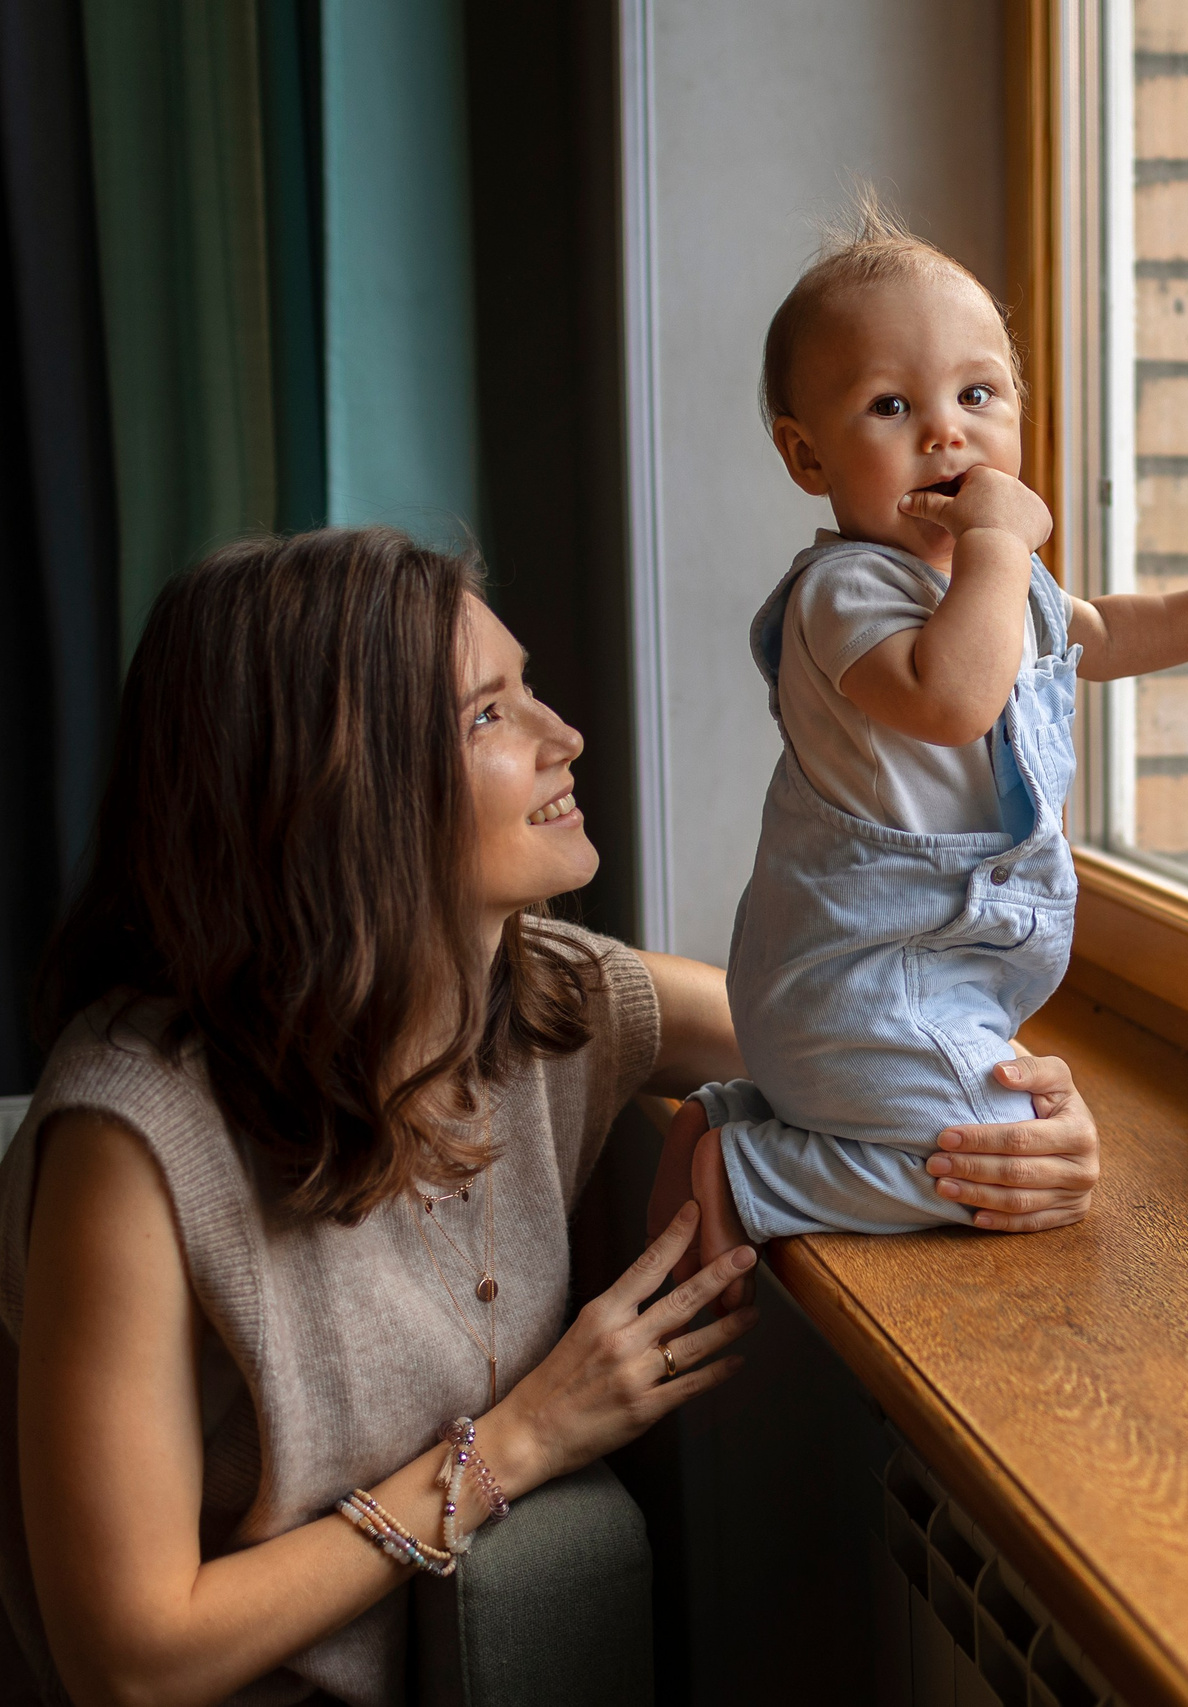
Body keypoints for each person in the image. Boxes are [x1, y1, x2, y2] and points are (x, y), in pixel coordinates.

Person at [0, 526, 1100, 1707]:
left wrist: (1016, 1115)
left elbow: (842, 1037)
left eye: (527, 690)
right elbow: (129, 1661)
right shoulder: (134, 1140)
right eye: (488, 716)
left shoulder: (552, 1003)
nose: (563, 736)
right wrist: (522, 1441)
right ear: (333, 789)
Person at [651, 197, 1188, 1291]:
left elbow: (1101, 630)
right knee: (1010, 1159)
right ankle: (752, 1173)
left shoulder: (1007, 586)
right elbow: (950, 697)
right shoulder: (844, 593)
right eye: (892, 405)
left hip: (933, 985)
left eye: (977, 396)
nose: (945, 433)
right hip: (863, 986)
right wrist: (999, 540)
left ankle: (748, 1110)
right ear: (807, 457)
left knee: (1021, 1133)